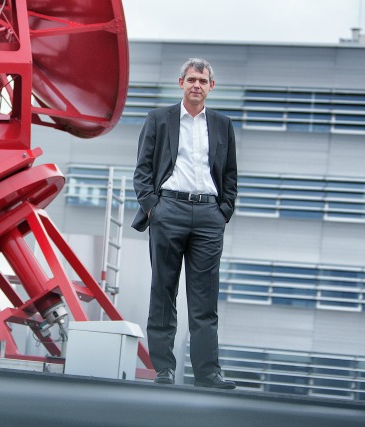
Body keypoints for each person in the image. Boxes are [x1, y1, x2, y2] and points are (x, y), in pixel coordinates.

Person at [132, 58, 237, 389]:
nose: (196, 85)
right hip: (169, 210)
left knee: (204, 299)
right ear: (181, 83)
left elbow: (230, 174)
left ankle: (208, 373)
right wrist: (153, 208)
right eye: (191, 79)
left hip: (208, 216)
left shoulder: (222, 124)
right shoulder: (159, 119)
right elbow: (143, 170)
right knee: (163, 291)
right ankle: (163, 369)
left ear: (211, 87)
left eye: (202, 81)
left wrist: (224, 211)